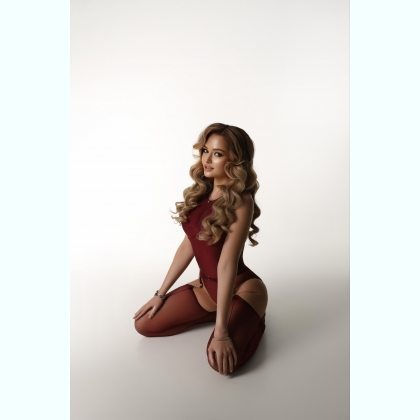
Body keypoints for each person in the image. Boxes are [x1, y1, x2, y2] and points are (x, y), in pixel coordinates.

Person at [133, 123, 268, 376]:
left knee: (222, 364)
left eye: (218, 154)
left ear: (235, 160)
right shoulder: (200, 193)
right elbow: (189, 244)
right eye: (206, 150)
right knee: (144, 325)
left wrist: (221, 332)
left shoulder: (242, 201)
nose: (207, 159)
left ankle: (253, 316)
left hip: (242, 287)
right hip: (207, 289)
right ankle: (218, 313)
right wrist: (160, 294)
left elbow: (226, 264)